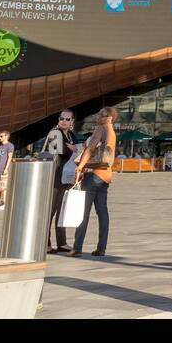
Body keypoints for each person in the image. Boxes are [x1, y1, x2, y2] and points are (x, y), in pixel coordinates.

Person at [71, 106, 117, 258]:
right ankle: (101, 248)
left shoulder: (101, 128)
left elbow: (90, 149)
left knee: (83, 211)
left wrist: (80, 168)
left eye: (102, 114)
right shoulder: (112, 132)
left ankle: (77, 248)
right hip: (106, 176)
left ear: (109, 117)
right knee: (102, 212)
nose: (99, 116)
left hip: (95, 175)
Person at [42, 110, 77, 253]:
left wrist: (74, 149)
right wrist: (73, 149)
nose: (64, 121)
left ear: (72, 122)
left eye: (67, 119)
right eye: (61, 118)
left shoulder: (71, 135)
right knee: (50, 211)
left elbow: (76, 151)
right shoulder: (54, 133)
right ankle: (45, 242)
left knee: (63, 210)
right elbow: (58, 151)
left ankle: (62, 242)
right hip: (54, 177)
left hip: (66, 177)